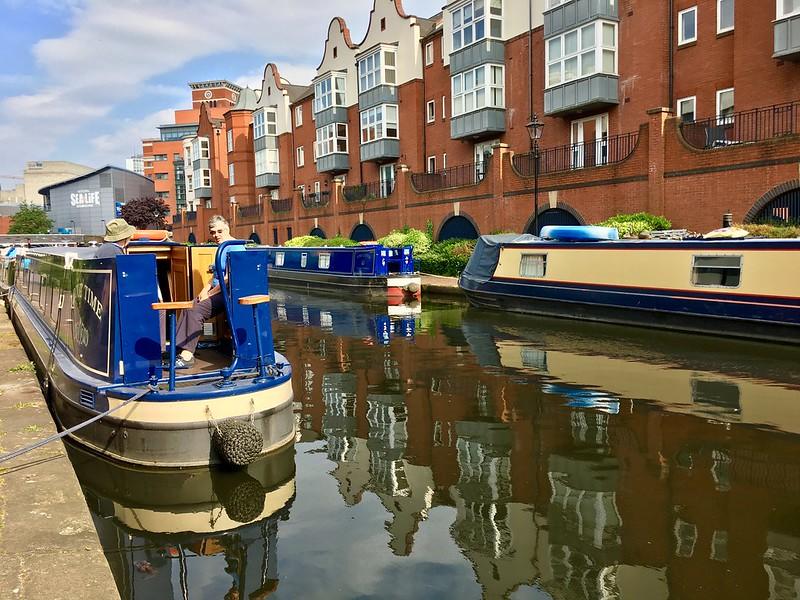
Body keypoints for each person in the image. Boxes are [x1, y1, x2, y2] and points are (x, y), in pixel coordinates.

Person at [170, 215, 245, 368]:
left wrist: (209, 294)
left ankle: (187, 356)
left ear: (227, 228)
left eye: (219, 231)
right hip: (218, 291)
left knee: (196, 311)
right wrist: (204, 291)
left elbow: (228, 278)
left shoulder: (235, 247)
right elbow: (215, 276)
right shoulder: (221, 248)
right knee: (189, 307)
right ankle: (179, 349)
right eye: (212, 232)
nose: (216, 235)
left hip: (228, 293)